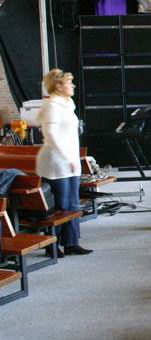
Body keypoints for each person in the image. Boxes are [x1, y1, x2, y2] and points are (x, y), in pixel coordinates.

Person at [35, 69, 92, 256]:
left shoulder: (67, 104)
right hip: (56, 162)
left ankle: (71, 242)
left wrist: (72, 159)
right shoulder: (52, 105)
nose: (73, 86)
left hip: (70, 161)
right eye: (69, 83)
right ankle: (51, 245)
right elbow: (50, 135)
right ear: (58, 86)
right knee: (61, 204)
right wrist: (67, 158)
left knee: (73, 203)